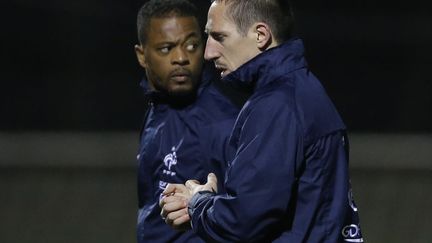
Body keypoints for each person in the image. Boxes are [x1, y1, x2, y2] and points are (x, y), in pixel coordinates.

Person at [160, 0, 364, 242]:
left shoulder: (277, 106)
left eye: (219, 37)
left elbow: (241, 223)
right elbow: (273, 206)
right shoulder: (301, 90)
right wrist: (209, 201)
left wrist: (197, 204)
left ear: (260, 35)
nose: (208, 52)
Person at [133, 0, 239, 242]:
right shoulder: (158, 108)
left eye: (191, 45)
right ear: (142, 55)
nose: (181, 57)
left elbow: (247, 219)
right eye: (166, 48)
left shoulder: (223, 125)